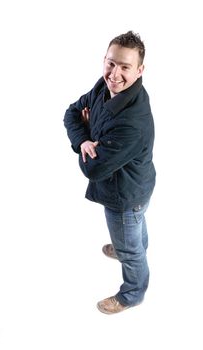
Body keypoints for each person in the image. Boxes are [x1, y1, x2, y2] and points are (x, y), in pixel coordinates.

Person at [63, 31, 156, 314]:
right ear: (105, 60)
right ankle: (130, 246)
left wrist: (88, 131)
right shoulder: (104, 87)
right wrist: (84, 141)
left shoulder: (132, 123)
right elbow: (71, 112)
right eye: (111, 63)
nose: (115, 74)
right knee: (135, 226)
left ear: (140, 71)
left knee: (131, 240)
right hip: (136, 184)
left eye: (125, 67)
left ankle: (132, 294)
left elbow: (94, 167)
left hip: (125, 195)